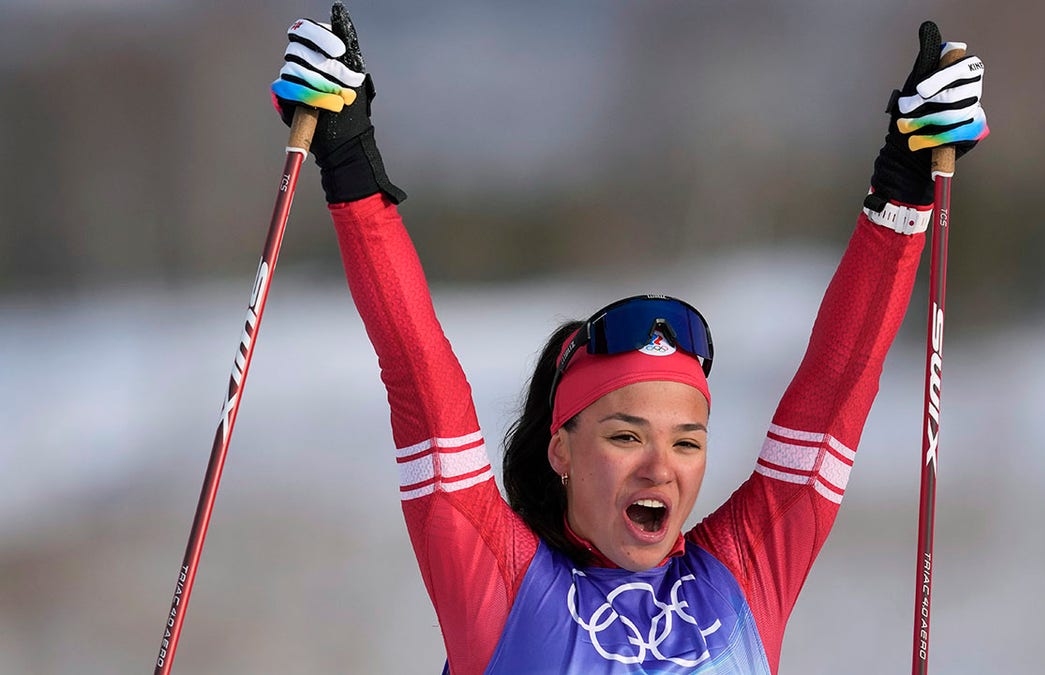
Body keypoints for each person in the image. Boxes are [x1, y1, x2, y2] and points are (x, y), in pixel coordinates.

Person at [270, 4, 988, 674]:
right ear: (561, 449)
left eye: (686, 441)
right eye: (624, 436)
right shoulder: (505, 591)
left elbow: (835, 391)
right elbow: (421, 378)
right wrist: (349, 161)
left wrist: (905, 186)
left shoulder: (743, 574)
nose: (659, 468)